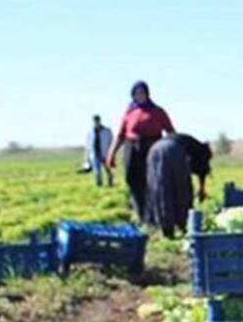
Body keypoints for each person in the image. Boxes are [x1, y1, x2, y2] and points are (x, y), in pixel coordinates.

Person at [106, 81, 176, 222]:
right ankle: (142, 215)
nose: (140, 96)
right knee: (133, 181)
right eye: (136, 93)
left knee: (153, 183)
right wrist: (111, 154)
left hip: (153, 149)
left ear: (147, 94)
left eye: (142, 93)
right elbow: (120, 134)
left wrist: (173, 150)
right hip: (132, 149)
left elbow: (171, 132)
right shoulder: (129, 112)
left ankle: (156, 217)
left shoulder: (157, 111)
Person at [145, 134, 212, 238]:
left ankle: (166, 228)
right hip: (173, 150)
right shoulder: (203, 152)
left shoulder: (192, 144)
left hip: (154, 149)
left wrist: (201, 189)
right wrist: (202, 189)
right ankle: (184, 225)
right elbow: (202, 170)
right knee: (181, 189)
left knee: (160, 189)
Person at [84, 115, 114, 187]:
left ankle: (110, 184)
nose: (96, 122)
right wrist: (87, 157)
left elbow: (112, 142)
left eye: (97, 120)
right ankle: (99, 185)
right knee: (97, 172)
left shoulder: (107, 131)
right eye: (95, 121)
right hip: (95, 154)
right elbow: (88, 145)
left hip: (105, 154)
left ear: (100, 121)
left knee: (108, 170)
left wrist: (112, 153)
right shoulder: (90, 132)